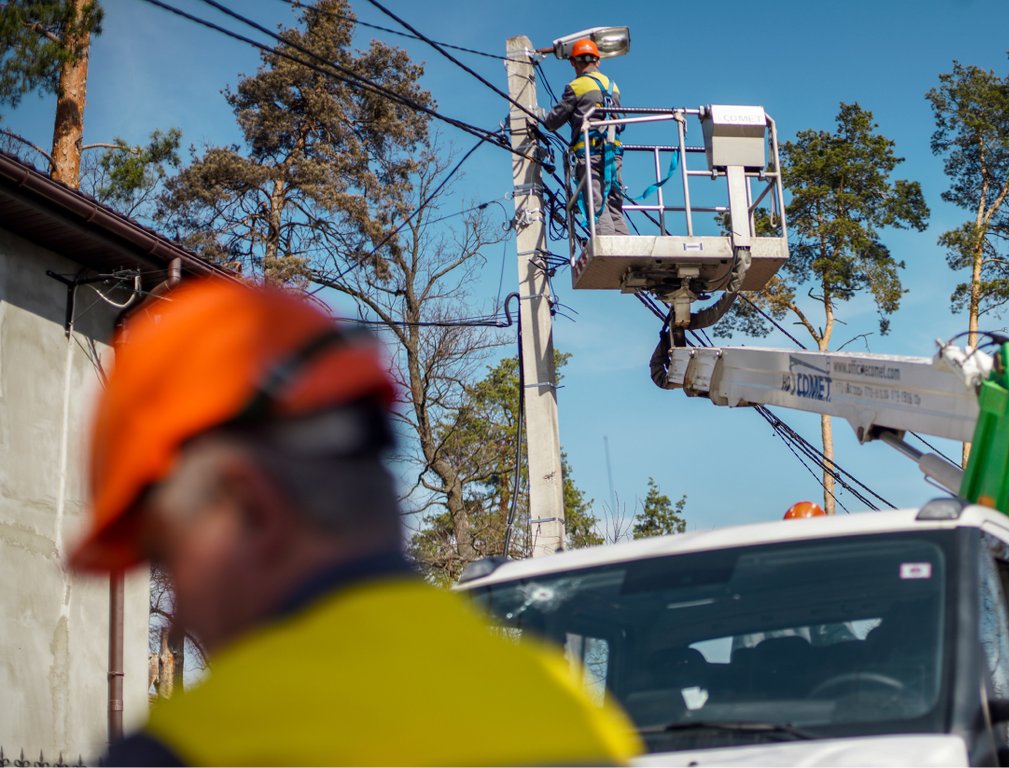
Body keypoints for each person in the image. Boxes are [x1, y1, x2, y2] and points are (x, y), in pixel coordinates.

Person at [69, 278, 641, 766]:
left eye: (167, 557)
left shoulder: (189, 752)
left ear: (250, 506)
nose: (177, 610)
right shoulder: (575, 716)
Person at [542, 37, 629, 236]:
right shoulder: (612, 85)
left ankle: (609, 251)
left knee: (596, 205)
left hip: (590, 155)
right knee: (614, 206)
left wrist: (541, 118)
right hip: (614, 155)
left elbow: (553, 122)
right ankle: (626, 251)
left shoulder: (577, 86)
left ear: (573, 62)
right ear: (598, 61)